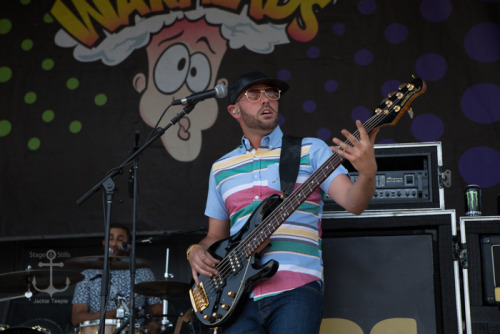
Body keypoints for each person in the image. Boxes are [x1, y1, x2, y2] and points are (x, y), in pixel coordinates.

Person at [186, 71, 379, 333]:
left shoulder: (311, 150)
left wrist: (367, 173)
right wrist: (196, 250)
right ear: (234, 110)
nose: (266, 100)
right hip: (234, 299)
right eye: (254, 95)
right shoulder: (221, 167)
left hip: (296, 287)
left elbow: (354, 203)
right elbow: (214, 236)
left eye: (271, 94)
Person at [71, 223, 162, 333]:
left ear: (129, 246)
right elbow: (76, 318)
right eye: (110, 238)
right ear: (104, 242)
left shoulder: (143, 273)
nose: (113, 243)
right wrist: (108, 315)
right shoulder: (87, 275)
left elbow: (158, 311)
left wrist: (154, 325)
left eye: (120, 239)